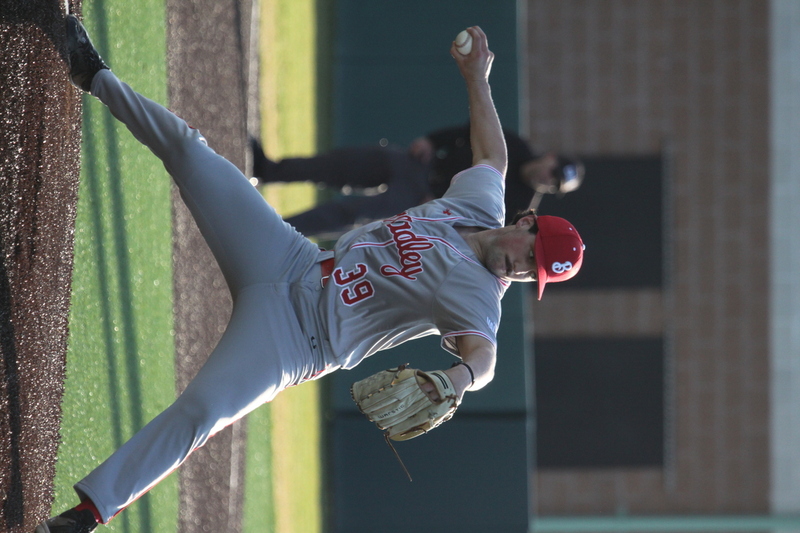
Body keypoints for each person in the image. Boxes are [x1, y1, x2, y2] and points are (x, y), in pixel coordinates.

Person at [38, 17, 585, 533]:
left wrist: (456, 381)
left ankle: (86, 514)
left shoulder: (479, 296)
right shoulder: (479, 202)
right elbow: (493, 153)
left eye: (531, 277)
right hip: (288, 258)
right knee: (190, 151)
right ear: (526, 223)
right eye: (529, 257)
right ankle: (95, 74)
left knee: (203, 411)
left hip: (297, 339)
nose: (519, 271)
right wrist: (477, 78)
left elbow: (483, 359)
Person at [251, 126, 584, 237]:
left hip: (424, 198)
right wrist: (430, 139)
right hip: (419, 164)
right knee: (339, 165)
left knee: (349, 212)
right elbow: (465, 131)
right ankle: (271, 171)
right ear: (551, 156)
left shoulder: (519, 205)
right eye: (554, 171)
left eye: (554, 185)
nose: (547, 178)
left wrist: (437, 211)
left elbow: (475, 225)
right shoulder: (515, 144)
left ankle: (274, 231)